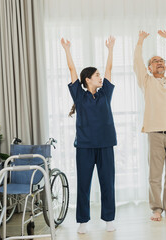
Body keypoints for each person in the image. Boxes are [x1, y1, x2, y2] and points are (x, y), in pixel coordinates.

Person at [61, 36, 117, 233]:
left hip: (105, 145)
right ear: (87, 79)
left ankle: (109, 219)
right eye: (97, 75)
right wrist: (67, 50)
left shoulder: (105, 94)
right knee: (84, 184)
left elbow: (109, 70)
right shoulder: (79, 95)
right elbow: (71, 71)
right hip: (84, 146)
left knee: (107, 183)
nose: (101, 77)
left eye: (100, 75)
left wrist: (110, 49)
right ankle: (83, 221)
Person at [133, 30, 166, 221]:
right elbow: (137, 62)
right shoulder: (146, 81)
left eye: (162, 60)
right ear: (149, 68)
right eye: (156, 61)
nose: (160, 62)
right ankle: (156, 209)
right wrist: (140, 41)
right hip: (155, 133)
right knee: (155, 176)